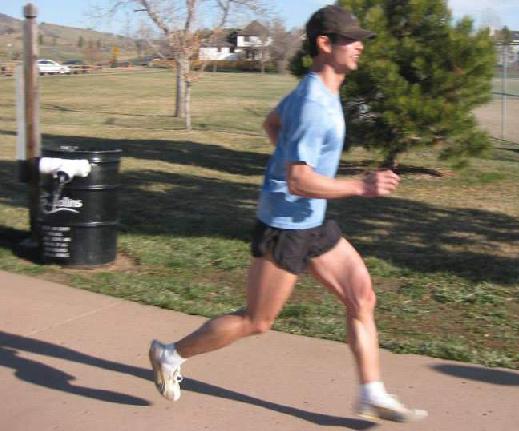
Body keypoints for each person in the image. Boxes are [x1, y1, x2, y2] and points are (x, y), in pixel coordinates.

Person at [148, 5, 427, 423]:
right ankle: (171, 353)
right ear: (324, 44)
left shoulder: (316, 91)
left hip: (314, 220)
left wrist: (288, 167)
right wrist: (359, 186)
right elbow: (298, 180)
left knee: (362, 296)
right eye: (351, 40)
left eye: (359, 40)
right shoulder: (314, 101)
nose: (359, 48)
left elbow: (272, 123)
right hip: (285, 226)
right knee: (257, 321)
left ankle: (371, 392)